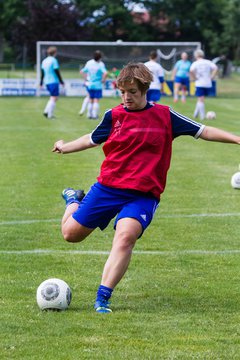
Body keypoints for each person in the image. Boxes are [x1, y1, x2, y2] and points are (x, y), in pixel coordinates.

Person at [52, 63, 240, 314]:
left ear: (145, 91)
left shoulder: (165, 116)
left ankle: (102, 298)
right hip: (108, 187)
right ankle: (73, 199)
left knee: (126, 236)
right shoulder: (114, 116)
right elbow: (91, 138)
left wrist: (237, 139)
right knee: (70, 234)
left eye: (132, 92)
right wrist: (64, 147)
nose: (127, 98)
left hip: (143, 194)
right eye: (123, 92)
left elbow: (203, 131)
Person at [190, 49, 218, 120]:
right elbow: (215, 68)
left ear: (196, 55)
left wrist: (194, 78)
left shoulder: (196, 63)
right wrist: (212, 77)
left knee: (200, 99)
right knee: (200, 99)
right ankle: (195, 114)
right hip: (207, 83)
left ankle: (202, 116)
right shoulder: (208, 62)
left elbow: (191, 70)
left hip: (199, 83)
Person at [80, 50, 108, 119]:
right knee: (96, 100)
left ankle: (89, 115)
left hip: (90, 84)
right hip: (98, 84)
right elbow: (105, 73)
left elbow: (82, 71)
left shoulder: (89, 63)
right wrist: (103, 80)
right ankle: (94, 115)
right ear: (100, 57)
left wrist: (86, 79)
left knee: (90, 100)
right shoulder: (100, 64)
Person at [40, 46, 64, 119]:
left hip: (47, 82)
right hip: (53, 81)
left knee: (53, 97)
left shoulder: (44, 61)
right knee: (54, 98)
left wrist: (41, 82)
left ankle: (46, 111)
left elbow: (42, 73)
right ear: (55, 53)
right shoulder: (53, 60)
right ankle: (50, 115)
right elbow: (56, 71)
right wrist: (61, 81)